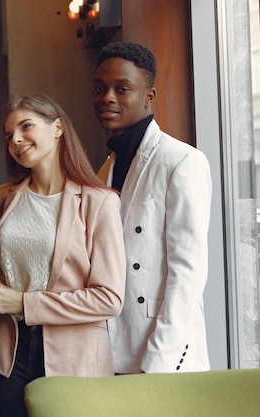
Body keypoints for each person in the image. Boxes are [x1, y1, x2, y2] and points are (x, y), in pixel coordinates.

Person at [0, 94, 126, 417]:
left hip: (74, 360)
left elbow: (109, 299)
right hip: (8, 357)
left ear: (58, 127)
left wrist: (26, 303)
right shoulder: (3, 198)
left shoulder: (100, 203)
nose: (16, 140)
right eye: (9, 136)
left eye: (26, 126)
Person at [92, 42, 212, 373]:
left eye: (122, 88)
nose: (108, 97)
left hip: (162, 353)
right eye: (100, 88)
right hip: (112, 348)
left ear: (149, 96)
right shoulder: (105, 168)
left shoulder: (182, 161)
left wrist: (159, 361)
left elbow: (187, 272)